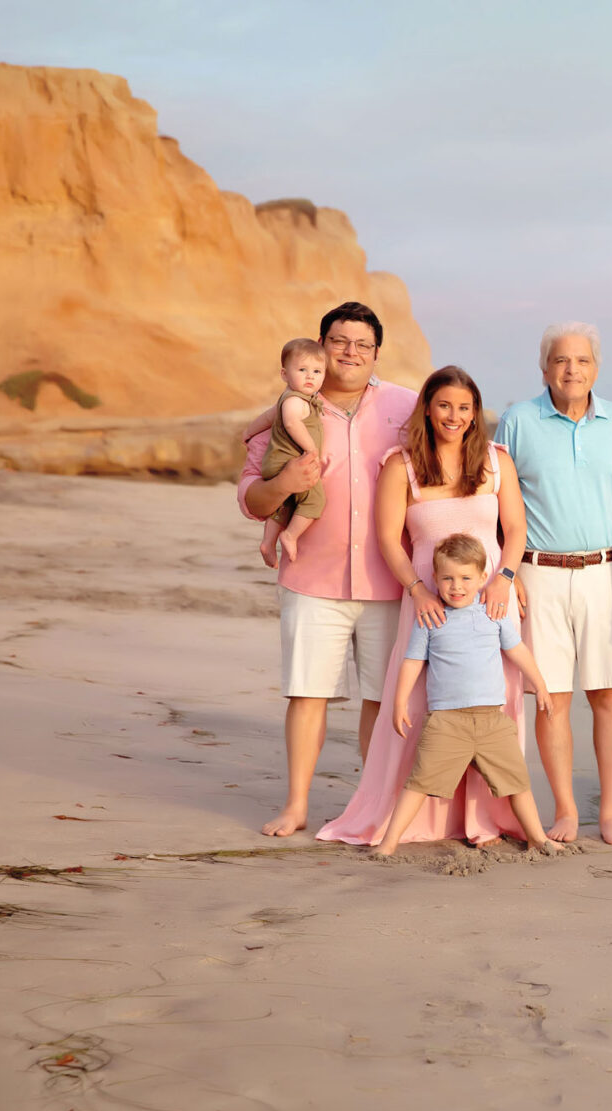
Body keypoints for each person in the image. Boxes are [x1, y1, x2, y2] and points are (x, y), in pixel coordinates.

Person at [317, 366, 529, 846]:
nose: (454, 416)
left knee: (491, 706)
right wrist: (417, 589)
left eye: (464, 407)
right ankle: (416, 818)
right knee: (417, 706)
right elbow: (389, 539)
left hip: (492, 602)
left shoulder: (497, 461)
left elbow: (514, 530)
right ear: (428, 409)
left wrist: (506, 580)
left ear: (475, 414)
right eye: (444, 405)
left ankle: (482, 818)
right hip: (430, 603)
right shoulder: (402, 464)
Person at [238, 302, 416, 837]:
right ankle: (296, 805)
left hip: (392, 579)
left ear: (377, 352)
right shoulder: (288, 412)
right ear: (320, 347)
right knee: (307, 692)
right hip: (311, 576)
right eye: (339, 341)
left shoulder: (407, 406)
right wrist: (285, 483)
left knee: (385, 701)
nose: (350, 352)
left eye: (362, 344)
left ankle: (376, 805)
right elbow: (251, 497)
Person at [494, 323, 612, 846]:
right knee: (550, 698)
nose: (571, 369)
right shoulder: (518, 420)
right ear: (544, 368)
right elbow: (495, 500)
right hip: (538, 575)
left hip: (604, 572)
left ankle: (610, 815)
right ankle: (566, 811)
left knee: (608, 697)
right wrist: (507, 574)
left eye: (581, 360)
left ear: (596, 367)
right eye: (560, 360)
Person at [375, 534, 562, 857]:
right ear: (435, 579)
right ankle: (388, 843)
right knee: (419, 782)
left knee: (517, 782)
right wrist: (399, 701)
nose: (456, 586)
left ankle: (537, 838)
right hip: (446, 722)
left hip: (492, 721)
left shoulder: (493, 612)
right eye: (447, 578)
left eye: (465, 578)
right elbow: (413, 662)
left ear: (481, 577)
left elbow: (517, 650)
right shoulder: (431, 618)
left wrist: (541, 685)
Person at [243, 338, 330, 567]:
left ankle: (267, 542)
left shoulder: (286, 399)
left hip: (276, 463)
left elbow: (267, 418)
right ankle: (290, 535)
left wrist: (249, 432)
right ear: (284, 374)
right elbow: (292, 424)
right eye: (302, 370)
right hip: (288, 461)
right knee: (315, 499)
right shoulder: (295, 401)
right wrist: (311, 449)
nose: (310, 376)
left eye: (317, 371)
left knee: (286, 503)